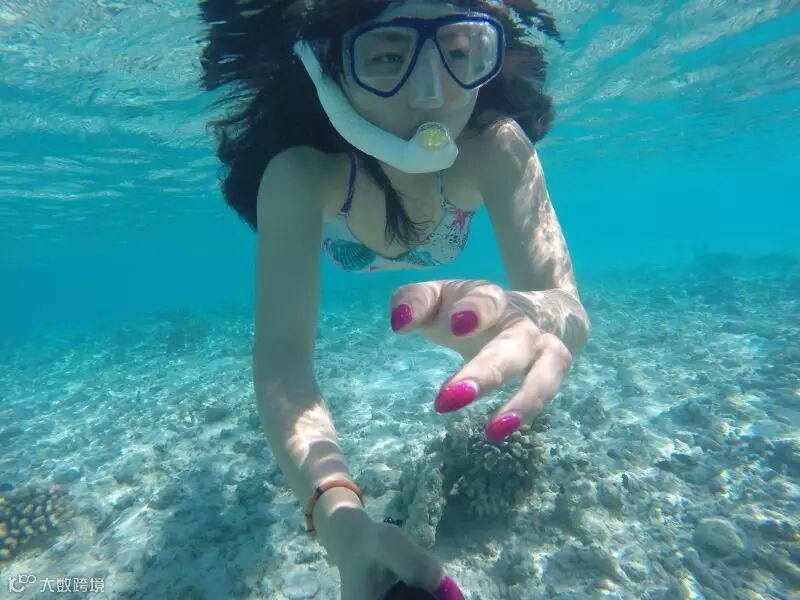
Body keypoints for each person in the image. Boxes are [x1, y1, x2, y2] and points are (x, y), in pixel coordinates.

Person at [199, 1, 591, 598]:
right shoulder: (301, 176)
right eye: (387, 56)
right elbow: (282, 359)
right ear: (330, 67)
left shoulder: (496, 147)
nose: (432, 95)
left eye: (457, 52)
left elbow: (564, 300)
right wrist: (338, 516)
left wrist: (539, 315)